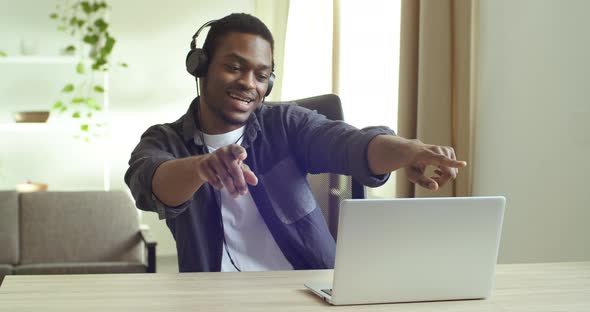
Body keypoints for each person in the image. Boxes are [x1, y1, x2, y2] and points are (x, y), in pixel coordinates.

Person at [125, 13, 466, 273]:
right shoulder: (164, 140)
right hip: (215, 298)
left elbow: (351, 145)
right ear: (200, 67)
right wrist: (201, 167)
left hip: (307, 289)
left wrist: (407, 150)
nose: (248, 83)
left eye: (261, 75)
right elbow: (149, 183)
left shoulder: (286, 124)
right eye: (233, 67)